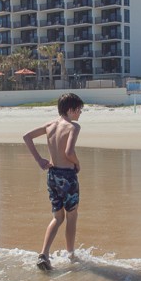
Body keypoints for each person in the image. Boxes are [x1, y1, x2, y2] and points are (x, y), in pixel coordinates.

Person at [23, 93, 84, 271]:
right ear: (70, 110)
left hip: (52, 175)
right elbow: (69, 152)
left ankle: (44, 254)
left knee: (57, 217)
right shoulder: (73, 127)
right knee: (72, 216)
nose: (80, 113)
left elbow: (27, 136)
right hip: (67, 176)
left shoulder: (50, 125)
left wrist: (39, 160)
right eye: (79, 109)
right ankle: (71, 255)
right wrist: (77, 164)